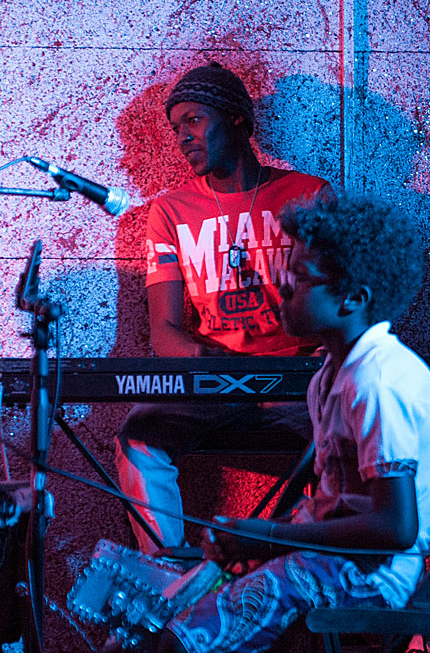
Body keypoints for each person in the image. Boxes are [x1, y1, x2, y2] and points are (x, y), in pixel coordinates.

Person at [150, 192, 430, 653]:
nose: (282, 288)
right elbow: (332, 503)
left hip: (373, 581)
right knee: (166, 613)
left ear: (353, 298)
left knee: (179, 642)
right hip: (334, 561)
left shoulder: (379, 380)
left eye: (300, 278)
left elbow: (396, 528)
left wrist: (271, 540)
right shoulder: (332, 374)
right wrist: (250, 540)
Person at [116, 62, 331, 554]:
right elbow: (164, 332)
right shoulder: (169, 212)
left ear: (236, 118)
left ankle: (313, 573)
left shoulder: (307, 196)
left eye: (194, 120)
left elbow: (334, 305)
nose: (182, 137)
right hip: (213, 383)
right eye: (176, 127)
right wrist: (212, 366)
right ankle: (168, 575)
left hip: (297, 385)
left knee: (352, 436)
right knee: (138, 439)